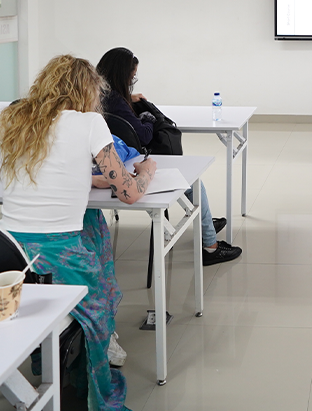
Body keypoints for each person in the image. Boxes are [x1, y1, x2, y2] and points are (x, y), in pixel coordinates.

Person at [0, 54, 157, 411]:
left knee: (92, 221)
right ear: (86, 91)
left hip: (7, 251)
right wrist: (148, 170)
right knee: (97, 310)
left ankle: (44, 360)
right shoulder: (89, 123)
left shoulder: (13, 119)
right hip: (60, 254)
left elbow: (43, 173)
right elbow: (129, 193)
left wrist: (86, 178)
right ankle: (98, 388)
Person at [96, 47, 242, 266]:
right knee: (195, 184)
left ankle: (206, 224)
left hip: (108, 163)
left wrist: (129, 99)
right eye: (131, 77)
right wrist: (148, 117)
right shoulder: (118, 102)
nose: (133, 81)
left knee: (193, 185)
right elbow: (143, 135)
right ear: (122, 76)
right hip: (130, 165)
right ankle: (210, 246)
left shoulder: (97, 99)